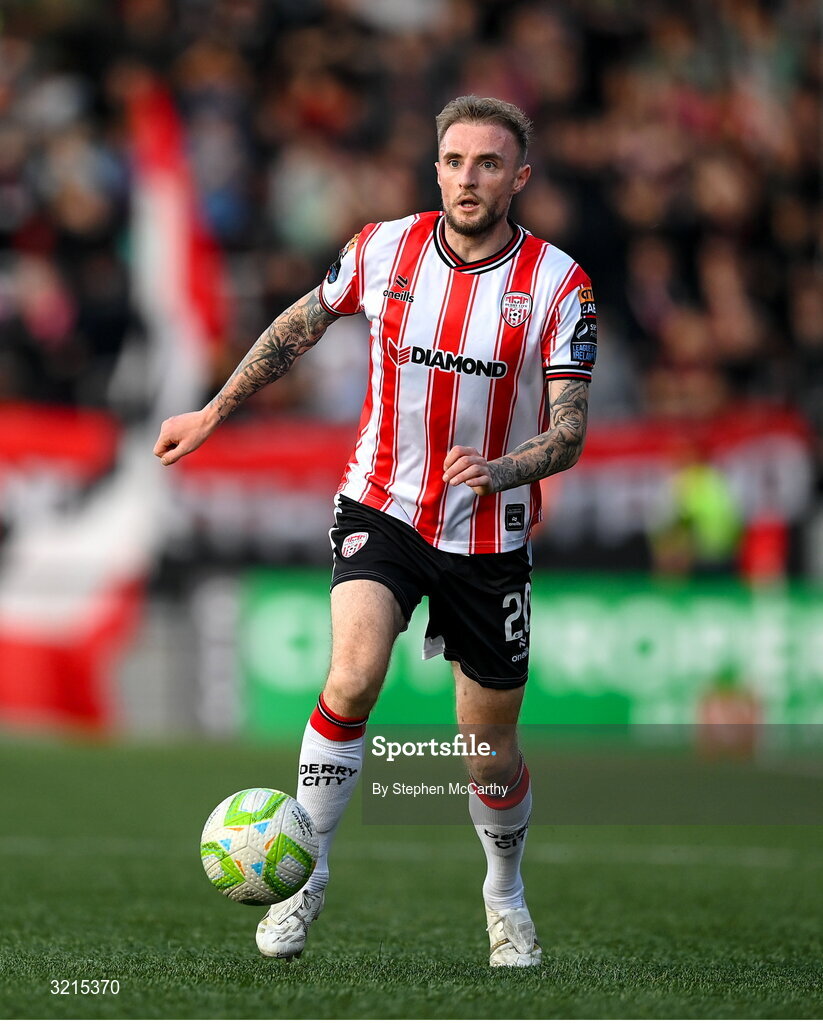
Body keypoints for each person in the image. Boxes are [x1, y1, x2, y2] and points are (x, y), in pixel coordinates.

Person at [154, 95, 597, 967]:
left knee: (486, 753)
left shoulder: (558, 284)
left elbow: (570, 429)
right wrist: (212, 410)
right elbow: (298, 326)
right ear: (436, 168)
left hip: (488, 533)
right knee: (352, 678)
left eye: (489, 164)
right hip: (380, 504)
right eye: (455, 161)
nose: (470, 178)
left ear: (519, 178)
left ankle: (502, 894)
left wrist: (501, 470)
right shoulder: (381, 247)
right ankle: (304, 875)